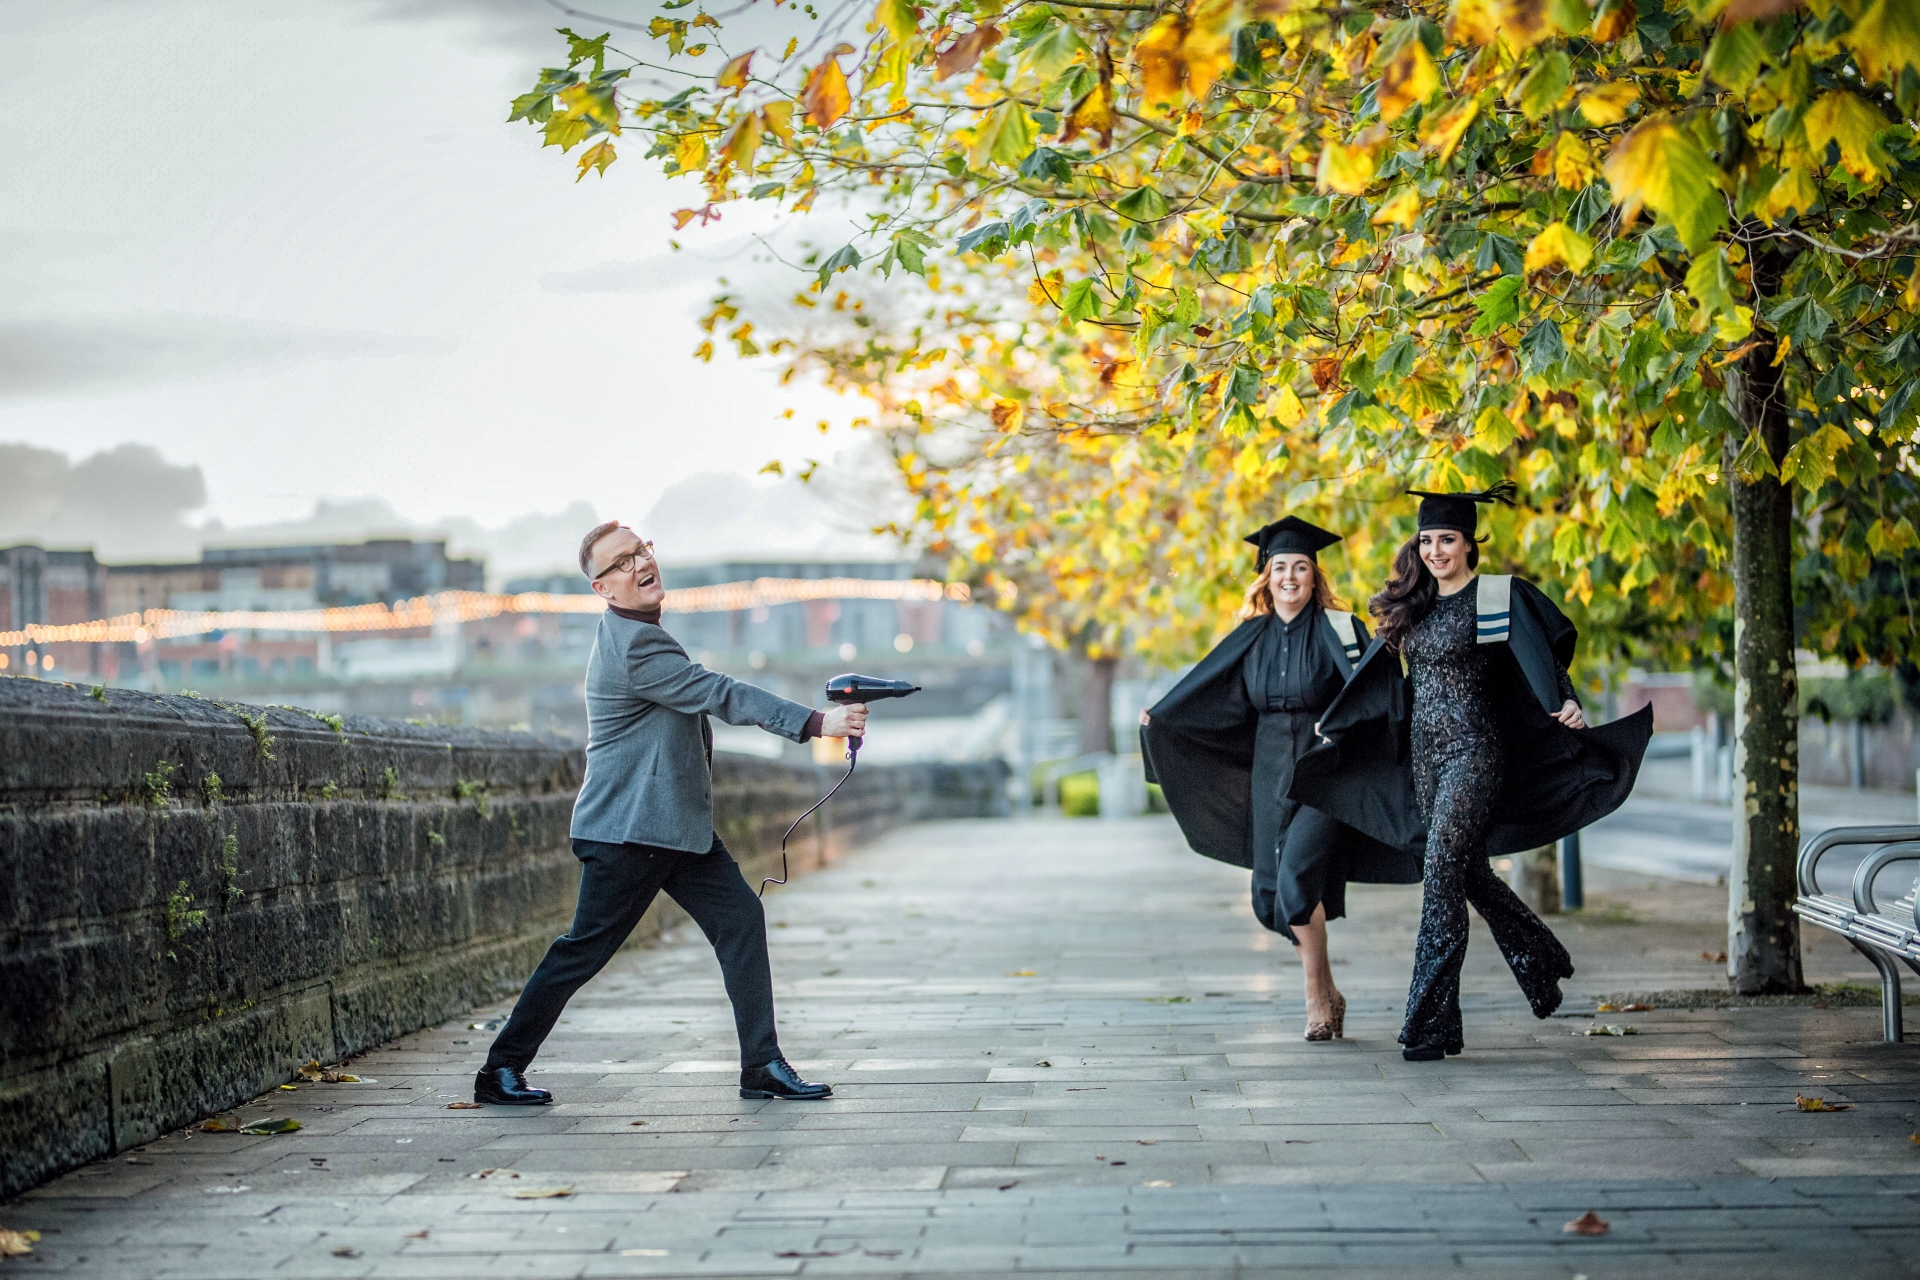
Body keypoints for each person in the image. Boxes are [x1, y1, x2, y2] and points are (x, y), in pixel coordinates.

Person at [474, 520, 868, 1106]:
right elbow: (720, 692)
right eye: (620, 562)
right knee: (581, 952)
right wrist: (817, 723)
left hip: (675, 829)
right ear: (603, 590)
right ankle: (499, 1071)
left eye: (641, 550)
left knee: (740, 921)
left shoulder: (638, 632)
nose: (638, 563)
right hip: (629, 834)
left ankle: (761, 1065)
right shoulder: (635, 646)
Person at [1290, 483, 1652, 1061]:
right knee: (1465, 872)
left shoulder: (1495, 597)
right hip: (1425, 760)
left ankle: (1431, 1024)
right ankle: (1540, 955)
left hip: (1476, 752)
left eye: (1447, 540)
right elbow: (1378, 683)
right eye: (1428, 539)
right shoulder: (1413, 604)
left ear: (1468, 542)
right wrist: (1342, 725)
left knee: (1438, 873)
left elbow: (1540, 657)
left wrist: (1568, 701)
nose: (1436, 550)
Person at [1140, 516, 1420, 1041]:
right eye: (1280, 568)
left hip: (1326, 773)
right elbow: (1209, 691)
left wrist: (1347, 727)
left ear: (1315, 577)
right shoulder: (1249, 637)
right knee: (1271, 896)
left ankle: (1314, 1000)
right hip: (1269, 772)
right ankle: (1330, 989)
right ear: (1265, 577)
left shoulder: (1341, 629)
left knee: (1296, 880)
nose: (1290, 576)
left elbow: (1376, 690)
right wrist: (1163, 718)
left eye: (1301, 568)